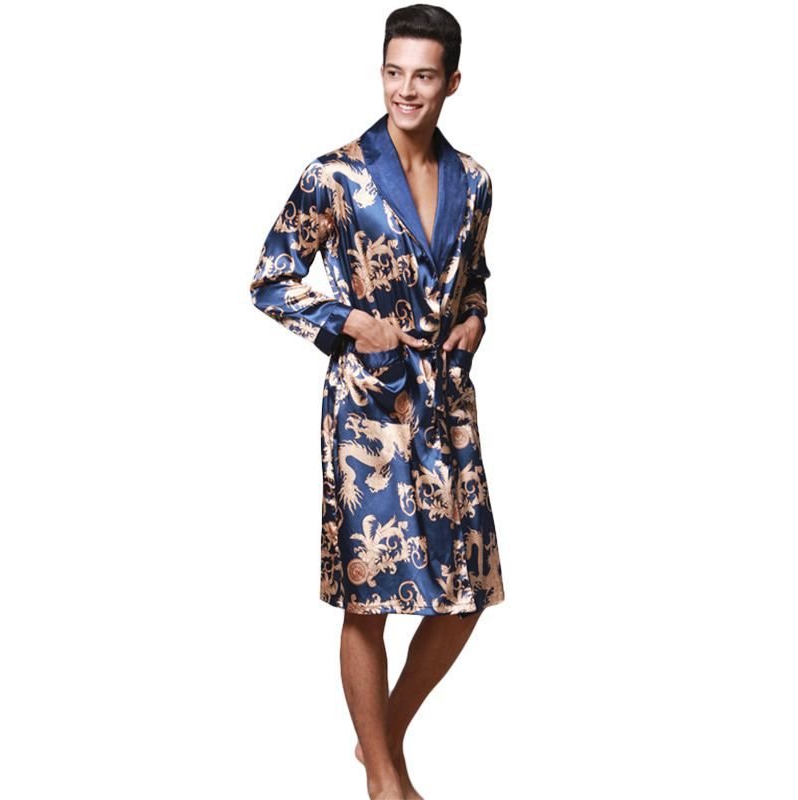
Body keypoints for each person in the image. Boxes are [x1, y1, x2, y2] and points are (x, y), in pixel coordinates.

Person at [250, 6, 505, 798]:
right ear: (382, 73)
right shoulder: (336, 175)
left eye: (424, 75)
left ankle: (380, 741)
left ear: (452, 82)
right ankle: (386, 782)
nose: (406, 90)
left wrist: (473, 320)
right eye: (394, 72)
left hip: (445, 406)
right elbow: (270, 279)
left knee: (465, 595)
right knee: (370, 598)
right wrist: (347, 322)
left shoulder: (475, 182)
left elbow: (474, 280)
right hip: (368, 410)